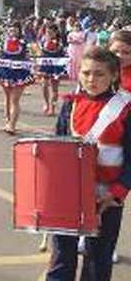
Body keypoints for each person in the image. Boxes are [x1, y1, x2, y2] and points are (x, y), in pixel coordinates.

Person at [46, 47, 131, 281]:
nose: (91, 79)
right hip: (68, 193)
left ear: (114, 76)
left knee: (98, 258)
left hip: (106, 197)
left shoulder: (125, 108)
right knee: (62, 255)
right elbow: (58, 147)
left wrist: (116, 193)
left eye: (99, 74)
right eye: (86, 73)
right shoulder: (71, 104)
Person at [0, 22, 35, 134]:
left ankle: (12, 125)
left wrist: (32, 66)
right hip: (5, 73)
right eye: (10, 30)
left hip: (19, 73)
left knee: (15, 100)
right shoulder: (2, 42)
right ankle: (8, 121)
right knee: (7, 98)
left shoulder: (24, 44)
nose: (12, 32)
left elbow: (29, 57)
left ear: (19, 31)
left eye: (15, 30)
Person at [37, 24, 68, 117]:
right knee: (44, 85)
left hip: (56, 66)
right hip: (45, 65)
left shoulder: (59, 42)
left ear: (55, 32)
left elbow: (62, 54)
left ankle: (52, 108)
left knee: (55, 88)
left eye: (51, 32)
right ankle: (46, 103)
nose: (49, 34)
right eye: (47, 32)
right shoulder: (43, 40)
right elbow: (40, 52)